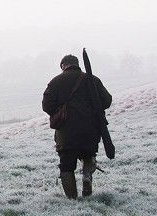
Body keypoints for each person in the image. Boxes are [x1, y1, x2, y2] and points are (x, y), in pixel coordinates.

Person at [41, 54, 112, 199]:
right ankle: (87, 176)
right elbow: (107, 100)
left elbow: (46, 105)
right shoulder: (92, 79)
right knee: (88, 156)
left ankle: (73, 198)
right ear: (77, 64)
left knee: (66, 166)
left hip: (66, 133)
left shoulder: (55, 82)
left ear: (63, 66)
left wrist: (60, 111)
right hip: (91, 130)